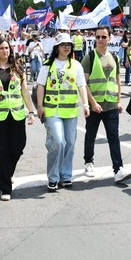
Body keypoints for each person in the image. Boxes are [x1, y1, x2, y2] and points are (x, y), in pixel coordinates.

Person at [0, 37, 36, 201]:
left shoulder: (17, 69)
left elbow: (25, 92)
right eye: (1, 48)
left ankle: (6, 173)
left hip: (16, 115)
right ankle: (5, 188)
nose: (5, 51)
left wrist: (31, 111)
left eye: (7, 48)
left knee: (18, 147)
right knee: (0, 151)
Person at [37, 33, 89, 191]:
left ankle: (65, 175)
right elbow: (40, 86)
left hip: (70, 111)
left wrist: (86, 104)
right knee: (57, 142)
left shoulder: (76, 65)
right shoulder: (47, 65)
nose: (66, 47)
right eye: (63, 44)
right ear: (57, 47)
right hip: (52, 110)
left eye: (69, 45)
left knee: (70, 143)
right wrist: (40, 106)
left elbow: (81, 85)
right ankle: (53, 177)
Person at [82, 25, 131, 183]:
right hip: (95, 105)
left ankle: (118, 169)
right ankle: (88, 162)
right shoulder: (90, 57)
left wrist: (119, 101)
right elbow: (83, 83)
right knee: (91, 135)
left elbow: (117, 81)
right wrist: (92, 103)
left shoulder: (114, 57)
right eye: (97, 37)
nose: (100, 40)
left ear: (110, 38)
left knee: (113, 137)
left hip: (110, 104)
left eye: (104, 37)